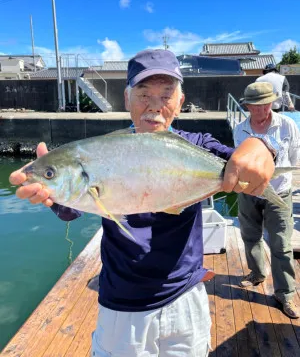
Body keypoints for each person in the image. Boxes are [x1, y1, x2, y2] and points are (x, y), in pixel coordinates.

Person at [10, 49, 278, 357]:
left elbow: (239, 161)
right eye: (143, 94)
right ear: (126, 100)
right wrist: (48, 188)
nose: (154, 106)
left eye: (166, 95)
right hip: (123, 304)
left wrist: (262, 146)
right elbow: (71, 207)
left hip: (185, 298)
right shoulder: (105, 150)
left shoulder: (197, 145)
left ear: (180, 101)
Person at [234, 81, 300, 319]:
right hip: (249, 194)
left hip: (279, 191)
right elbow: (239, 163)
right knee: (249, 236)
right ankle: (257, 273)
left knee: (281, 244)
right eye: (255, 105)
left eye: (266, 104)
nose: (262, 110)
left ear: (272, 102)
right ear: (247, 106)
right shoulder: (239, 129)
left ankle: (285, 294)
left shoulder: (288, 126)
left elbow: (294, 157)